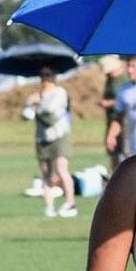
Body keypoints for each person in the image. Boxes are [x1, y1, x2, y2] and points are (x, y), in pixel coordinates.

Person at [23, 68, 78, 219]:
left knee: (61, 168)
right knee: (46, 173)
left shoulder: (59, 92)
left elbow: (51, 111)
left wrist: (38, 101)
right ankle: (49, 207)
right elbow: (26, 116)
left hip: (59, 135)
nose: (45, 80)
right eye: (42, 76)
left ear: (53, 77)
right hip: (42, 137)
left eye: (48, 76)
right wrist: (29, 104)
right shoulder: (36, 95)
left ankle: (70, 203)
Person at [105, 56, 136, 165]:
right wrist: (111, 135)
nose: (129, 70)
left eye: (133, 66)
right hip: (134, 144)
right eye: (128, 66)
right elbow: (118, 117)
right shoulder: (124, 89)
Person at [99, 56, 124, 171]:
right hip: (111, 119)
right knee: (113, 151)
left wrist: (108, 103)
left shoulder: (123, 81)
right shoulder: (110, 81)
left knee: (123, 151)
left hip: (122, 121)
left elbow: (124, 101)